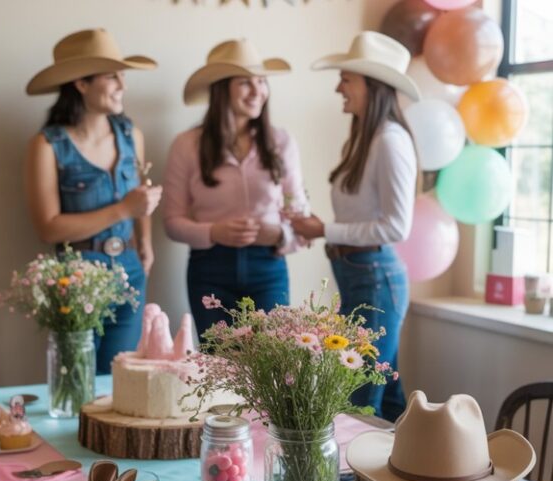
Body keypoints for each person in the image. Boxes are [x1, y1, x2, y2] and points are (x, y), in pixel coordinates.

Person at [287, 32, 420, 420]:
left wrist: (324, 230)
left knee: (361, 398)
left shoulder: (390, 141)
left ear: (371, 86)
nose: (338, 87)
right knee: (385, 395)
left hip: (375, 278)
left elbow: (396, 227)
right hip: (360, 275)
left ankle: (358, 479)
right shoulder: (366, 139)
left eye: (346, 79)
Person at [24, 28, 162, 373]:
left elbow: (140, 197)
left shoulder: (131, 135)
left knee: (120, 378)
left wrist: (145, 243)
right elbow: (49, 227)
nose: (123, 86)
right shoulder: (48, 145)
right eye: (112, 77)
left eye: (123, 76)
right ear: (81, 83)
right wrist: (123, 209)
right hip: (76, 275)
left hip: (130, 269)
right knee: (78, 380)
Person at [164, 38, 307, 338]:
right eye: (245, 82)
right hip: (209, 269)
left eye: (262, 81)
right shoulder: (186, 144)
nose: (258, 91)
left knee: (271, 372)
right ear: (221, 88)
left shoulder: (282, 142)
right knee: (218, 371)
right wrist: (213, 232)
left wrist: (281, 234)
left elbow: (300, 217)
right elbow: (172, 223)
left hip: (268, 268)